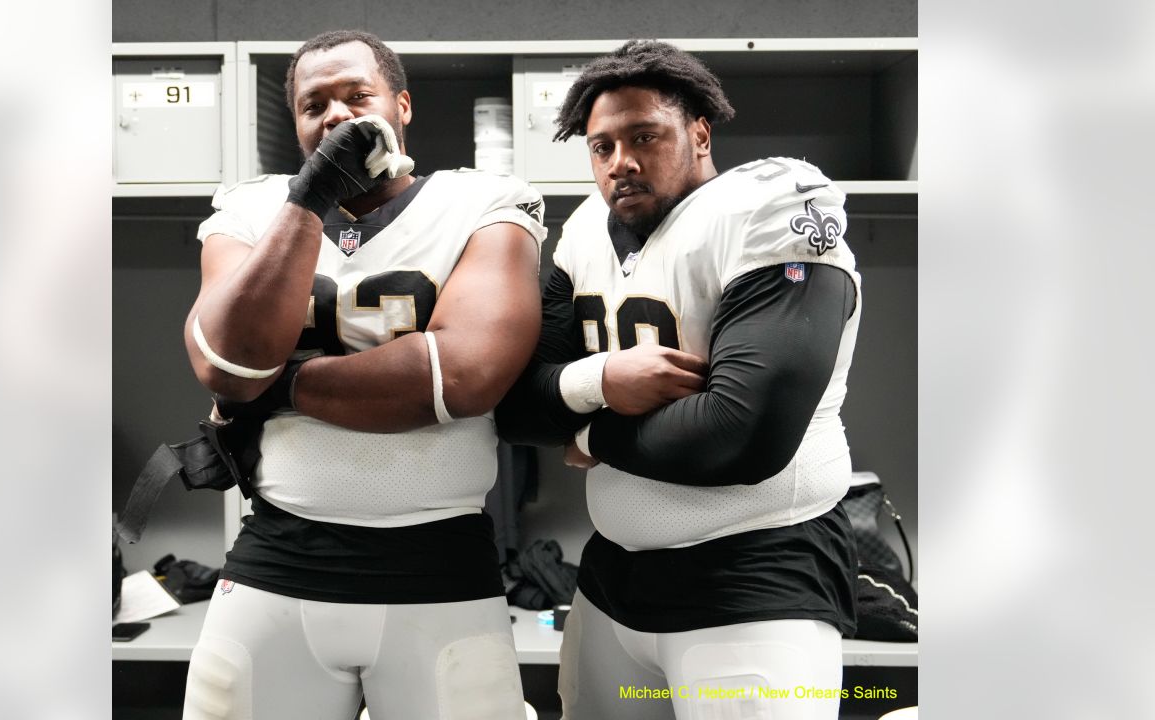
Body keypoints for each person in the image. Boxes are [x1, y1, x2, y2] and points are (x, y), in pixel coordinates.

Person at [181, 30, 546, 720]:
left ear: (401, 105)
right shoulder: (253, 209)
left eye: (358, 96)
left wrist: (282, 385)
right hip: (280, 557)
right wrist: (309, 199)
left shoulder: (485, 202)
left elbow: (458, 377)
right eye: (314, 104)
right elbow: (228, 363)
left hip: (440, 567)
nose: (337, 117)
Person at [496, 40, 861, 720]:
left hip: (753, 580)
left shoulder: (772, 204)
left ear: (699, 132)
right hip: (614, 583)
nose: (621, 162)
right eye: (601, 147)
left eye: (645, 137)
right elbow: (512, 407)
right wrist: (603, 377)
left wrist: (591, 436)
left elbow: (741, 436)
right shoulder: (584, 231)